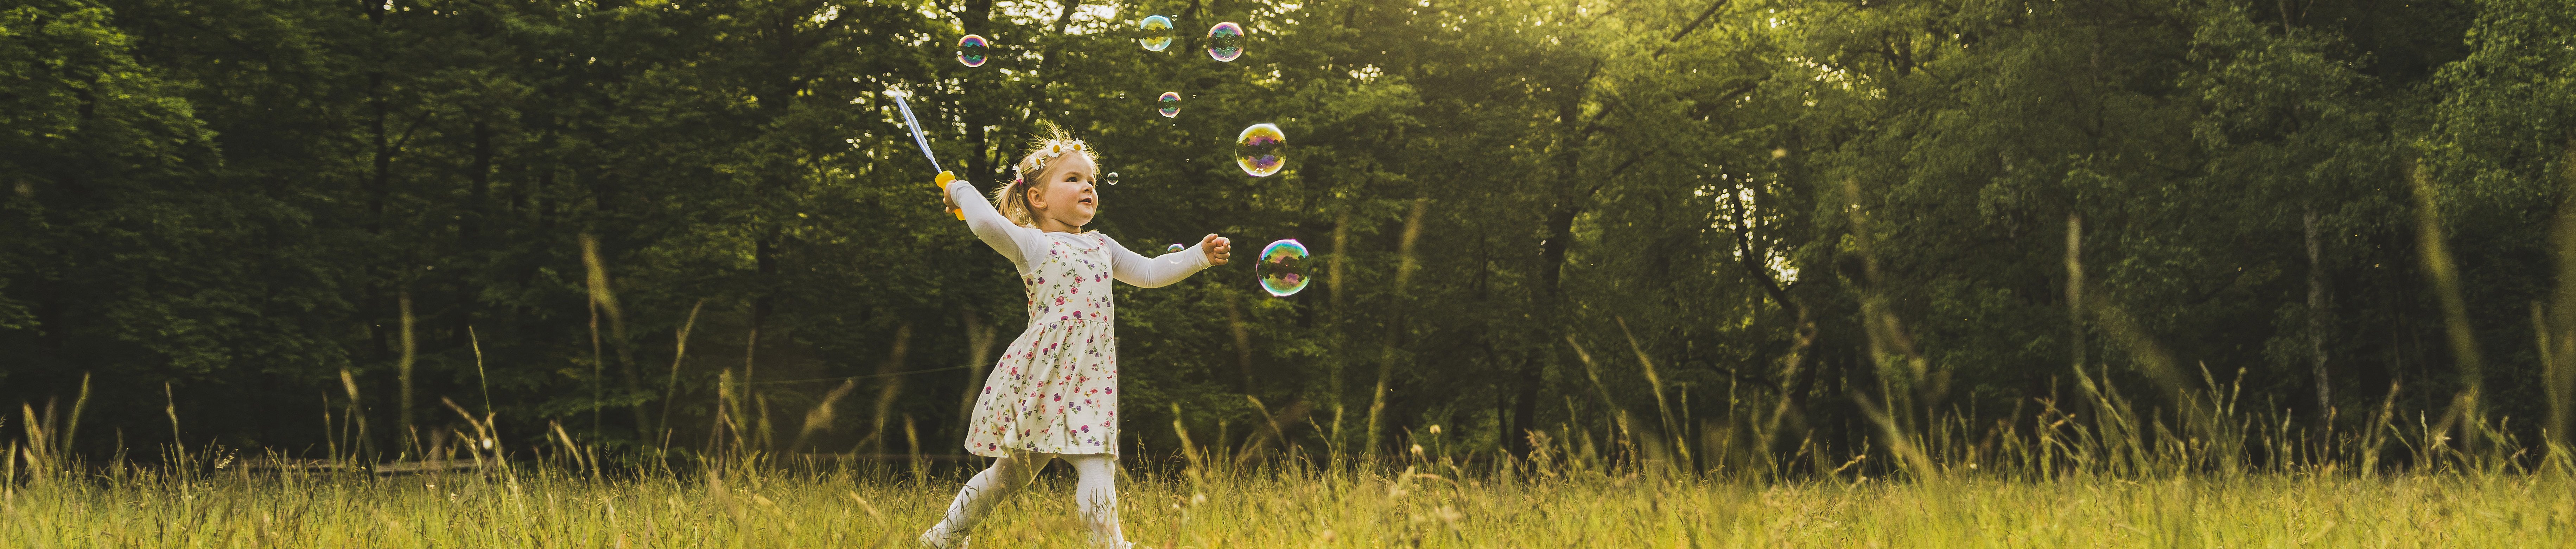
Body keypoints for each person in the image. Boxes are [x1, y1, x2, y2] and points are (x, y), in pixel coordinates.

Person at [918, 124, 1232, 549]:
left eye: (1091, 181)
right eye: (1073, 179)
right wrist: (958, 190)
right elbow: (985, 225)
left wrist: (1198, 256)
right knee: (1008, 477)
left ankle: (1109, 545)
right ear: (1037, 197)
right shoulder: (1033, 245)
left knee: (1096, 464)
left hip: (1091, 376)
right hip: (1043, 374)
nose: (1088, 187)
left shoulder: (1102, 245)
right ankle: (943, 536)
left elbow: (1150, 272)